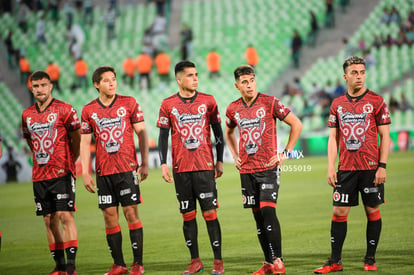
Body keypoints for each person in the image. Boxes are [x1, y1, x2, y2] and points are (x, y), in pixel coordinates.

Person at [314, 56, 391, 274]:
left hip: (370, 167)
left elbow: (385, 136)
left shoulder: (376, 101)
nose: (359, 76)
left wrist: (382, 165)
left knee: (372, 209)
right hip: (346, 168)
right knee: (339, 211)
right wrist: (331, 167)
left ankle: (370, 258)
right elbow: (333, 138)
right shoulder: (337, 104)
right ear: (345, 76)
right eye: (354, 73)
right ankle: (335, 261)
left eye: (362, 72)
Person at [224, 65, 302, 275]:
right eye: (244, 82)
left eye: (252, 80)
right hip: (247, 171)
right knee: (258, 217)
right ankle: (268, 263)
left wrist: (285, 153)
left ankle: (278, 260)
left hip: (268, 168)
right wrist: (234, 155)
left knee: (268, 210)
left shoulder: (270, 102)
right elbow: (229, 131)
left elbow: (296, 124)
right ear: (237, 85)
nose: (249, 85)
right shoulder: (232, 108)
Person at [157, 61, 225, 275]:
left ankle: (218, 262)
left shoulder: (208, 101)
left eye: (196, 75)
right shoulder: (168, 104)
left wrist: (220, 160)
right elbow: (162, 136)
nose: (195, 78)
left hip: (204, 167)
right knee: (187, 216)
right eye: (190, 75)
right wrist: (163, 163)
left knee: (210, 214)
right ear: (179, 80)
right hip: (181, 169)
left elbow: (218, 133)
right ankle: (195, 260)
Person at [80, 66, 149, 275]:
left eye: (114, 79)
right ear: (96, 84)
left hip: (126, 169)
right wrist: (85, 171)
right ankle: (119, 264)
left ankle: (138, 263)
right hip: (103, 172)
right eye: (107, 80)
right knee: (109, 217)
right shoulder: (88, 110)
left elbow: (142, 133)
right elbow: (84, 143)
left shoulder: (129, 103)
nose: (112, 83)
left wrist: (144, 162)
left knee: (131, 213)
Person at [21, 71, 81, 275]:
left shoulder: (65, 109)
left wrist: (70, 160)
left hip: (62, 171)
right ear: (31, 88)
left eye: (43, 85)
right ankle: (60, 266)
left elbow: (76, 138)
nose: (40, 89)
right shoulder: (26, 115)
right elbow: (30, 141)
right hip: (40, 175)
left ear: (51, 86)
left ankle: (71, 266)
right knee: (49, 219)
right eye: (36, 86)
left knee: (66, 215)